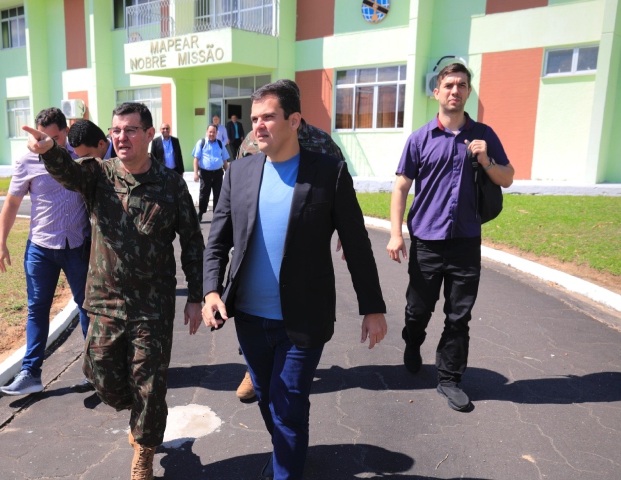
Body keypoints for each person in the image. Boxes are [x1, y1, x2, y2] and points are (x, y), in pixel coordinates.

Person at [202, 80, 388, 480]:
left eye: (268, 117)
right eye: (255, 119)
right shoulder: (239, 173)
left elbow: (357, 245)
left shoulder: (328, 173)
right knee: (268, 400)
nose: (258, 126)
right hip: (249, 318)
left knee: (288, 404)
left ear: (294, 120)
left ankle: (286, 469)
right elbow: (217, 240)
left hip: (302, 318)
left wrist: (372, 307)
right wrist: (211, 290)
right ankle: (287, 453)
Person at [22, 102, 204, 480]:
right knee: (101, 374)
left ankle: (144, 451)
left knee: (150, 385)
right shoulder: (98, 174)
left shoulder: (171, 185)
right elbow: (68, 172)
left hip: (152, 305)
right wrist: (50, 151)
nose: (122, 137)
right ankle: (140, 415)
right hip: (105, 300)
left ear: (149, 134)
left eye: (131, 130)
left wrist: (196, 296)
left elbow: (191, 242)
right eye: (116, 130)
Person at [387, 63, 515, 412]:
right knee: (418, 310)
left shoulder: (484, 135)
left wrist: (486, 160)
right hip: (426, 242)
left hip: (465, 242)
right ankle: (412, 340)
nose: (455, 90)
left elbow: (507, 178)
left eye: (461, 85)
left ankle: (449, 379)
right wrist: (396, 234)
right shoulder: (420, 139)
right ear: (437, 92)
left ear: (468, 92)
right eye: (448, 85)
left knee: (459, 316)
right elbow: (401, 187)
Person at [234, 81, 347, 403]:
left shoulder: (322, 143)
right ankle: (252, 366)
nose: (261, 123)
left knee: (300, 300)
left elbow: (341, 188)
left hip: (303, 239)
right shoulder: (251, 140)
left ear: (294, 113)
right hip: (258, 237)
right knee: (253, 304)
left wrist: (342, 229)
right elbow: (241, 182)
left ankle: (296, 360)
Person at [0, 107, 93, 395]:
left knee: (88, 307)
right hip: (41, 248)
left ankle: (95, 371)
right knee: (37, 309)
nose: (46, 143)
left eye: (54, 137)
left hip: (77, 245)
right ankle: (30, 374)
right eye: (40, 137)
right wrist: (1, 243)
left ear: (66, 132)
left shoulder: (80, 158)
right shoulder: (27, 160)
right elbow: (12, 203)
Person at [192, 124, 230, 223]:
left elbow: (225, 160)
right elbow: (196, 159)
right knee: (204, 194)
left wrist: (229, 174)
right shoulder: (201, 143)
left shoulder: (220, 144)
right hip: (205, 174)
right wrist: (195, 173)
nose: (212, 134)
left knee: (218, 194)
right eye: (210, 132)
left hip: (218, 173)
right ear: (206, 132)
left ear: (217, 133)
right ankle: (201, 213)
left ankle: (216, 215)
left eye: (214, 132)